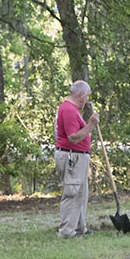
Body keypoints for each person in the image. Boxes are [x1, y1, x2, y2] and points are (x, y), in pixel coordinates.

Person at [54, 80, 98, 238]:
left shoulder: (71, 109)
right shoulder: (69, 110)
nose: (86, 100)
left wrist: (88, 126)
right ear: (80, 94)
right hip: (72, 156)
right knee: (72, 192)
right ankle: (66, 231)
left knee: (80, 193)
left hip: (78, 156)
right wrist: (91, 125)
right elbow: (73, 137)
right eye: (86, 96)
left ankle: (79, 228)